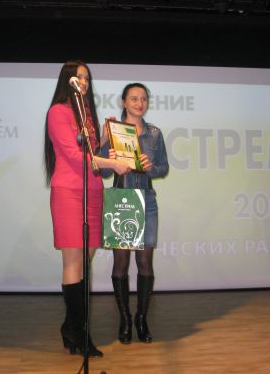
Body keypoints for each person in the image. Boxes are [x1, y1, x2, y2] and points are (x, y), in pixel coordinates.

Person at [44, 60, 131, 357]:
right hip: (69, 192)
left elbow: (94, 160)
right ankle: (80, 333)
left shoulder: (87, 116)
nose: (83, 82)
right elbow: (73, 155)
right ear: (67, 80)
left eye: (87, 78)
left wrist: (105, 139)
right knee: (74, 263)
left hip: (93, 192)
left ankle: (71, 328)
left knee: (86, 263)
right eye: (78, 77)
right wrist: (111, 163)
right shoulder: (58, 112)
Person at [100, 83, 169, 344]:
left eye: (143, 99)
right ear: (124, 102)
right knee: (120, 263)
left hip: (147, 200)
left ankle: (141, 318)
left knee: (145, 263)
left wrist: (151, 168)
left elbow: (163, 168)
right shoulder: (113, 131)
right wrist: (109, 158)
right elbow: (102, 171)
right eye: (134, 98)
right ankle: (125, 319)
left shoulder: (154, 133)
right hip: (121, 199)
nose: (140, 103)